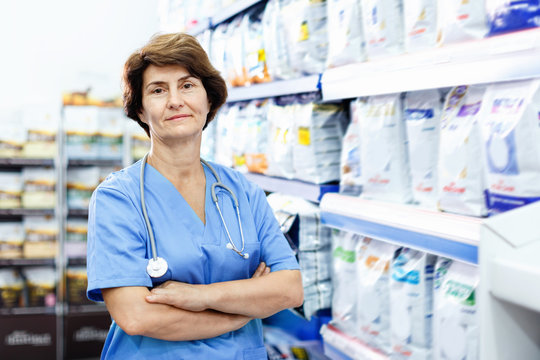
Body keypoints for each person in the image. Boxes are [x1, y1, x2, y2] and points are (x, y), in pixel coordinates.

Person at [86, 32, 303, 359]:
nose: (175, 100)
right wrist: (242, 311)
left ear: (208, 99)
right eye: (158, 90)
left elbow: (289, 289)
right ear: (141, 111)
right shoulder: (118, 198)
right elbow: (136, 315)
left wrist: (198, 296)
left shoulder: (241, 190)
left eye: (187, 85)